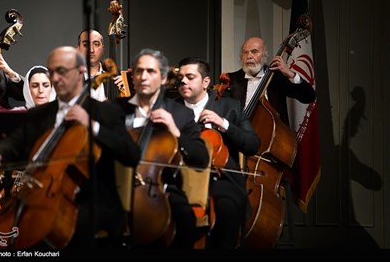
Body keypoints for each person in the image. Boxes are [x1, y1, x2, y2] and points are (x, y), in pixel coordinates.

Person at [0, 46, 141, 248]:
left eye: (62, 71)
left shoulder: (105, 112)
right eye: (52, 72)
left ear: (80, 72)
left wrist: (92, 125)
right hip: (42, 195)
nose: (55, 78)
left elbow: (131, 154)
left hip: (93, 200)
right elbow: (15, 141)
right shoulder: (40, 113)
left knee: (68, 230)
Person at [113, 48, 210, 249]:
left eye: (151, 71)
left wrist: (175, 131)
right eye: (138, 71)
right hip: (116, 186)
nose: (143, 77)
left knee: (185, 219)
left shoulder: (180, 113)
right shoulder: (116, 109)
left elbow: (200, 159)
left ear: (164, 78)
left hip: (159, 188)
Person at [176, 57, 260, 249]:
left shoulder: (229, 107)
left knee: (226, 206)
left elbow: (252, 144)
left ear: (206, 82)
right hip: (181, 177)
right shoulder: (171, 108)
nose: (183, 81)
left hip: (221, 178)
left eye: (190, 77)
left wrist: (224, 124)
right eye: (180, 77)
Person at [220, 36, 316, 126]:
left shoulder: (276, 77)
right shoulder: (231, 79)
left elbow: (309, 97)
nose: (249, 56)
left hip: (274, 137)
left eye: (254, 52)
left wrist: (290, 74)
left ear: (264, 56)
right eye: (245, 52)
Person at [77, 29, 129, 101]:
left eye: (96, 44)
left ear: (102, 49)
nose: (91, 50)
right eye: (86, 45)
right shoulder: (71, 75)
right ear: (78, 48)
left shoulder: (116, 74)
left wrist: (127, 87)